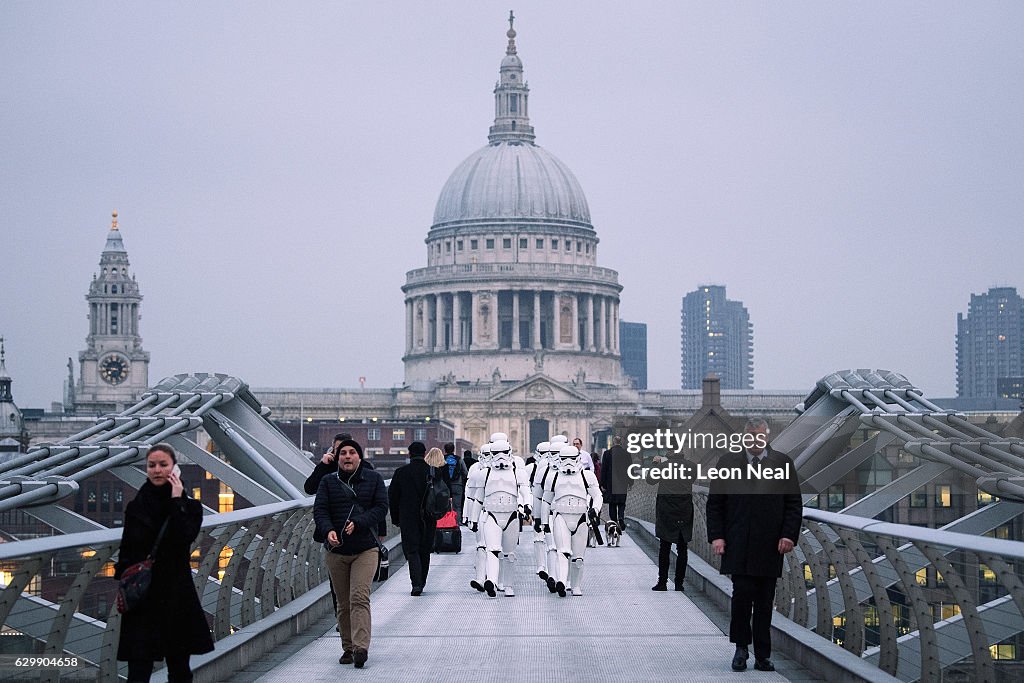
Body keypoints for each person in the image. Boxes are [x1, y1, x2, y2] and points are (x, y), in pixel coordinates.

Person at [706, 418, 802, 673]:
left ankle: (762, 655)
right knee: (740, 599)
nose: (755, 441)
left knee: (764, 602)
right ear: (744, 437)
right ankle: (740, 648)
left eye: (759, 436)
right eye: (750, 436)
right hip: (738, 542)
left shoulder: (783, 463)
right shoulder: (728, 462)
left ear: (766, 436)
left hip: (771, 544)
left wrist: (789, 535)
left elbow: (793, 503)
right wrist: (717, 536)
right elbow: (715, 503)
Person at [115, 443, 213, 682]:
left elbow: (185, 537)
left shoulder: (189, 507)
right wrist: (123, 582)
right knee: (138, 671)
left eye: (163, 465)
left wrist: (176, 500)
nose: (157, 470)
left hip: (175, 595)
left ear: (174, 469)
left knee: (178, 668)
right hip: (143, 598)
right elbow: (126, 548)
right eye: (151, 465)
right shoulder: (135, 506)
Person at [313, 438, 387, 669]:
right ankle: (348, 648)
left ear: (359, 456)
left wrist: (359, 522)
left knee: (359, 598)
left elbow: (381, 508)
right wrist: (328, 531)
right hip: (336, 550)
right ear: (337, 457)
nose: (347, 456)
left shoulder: (373, 479)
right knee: (343, 603)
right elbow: (320, 510)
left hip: (365, 548)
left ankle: (361, 647)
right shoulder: (327, 481)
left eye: (352, 452)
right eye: (343, 452)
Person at [388, 441, 436, 596]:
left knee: (412, 550)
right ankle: (422, 580)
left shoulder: (401, 472)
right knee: (425, 550)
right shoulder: (432, 472)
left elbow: (393, 497)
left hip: (408, 517)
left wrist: (395, 518)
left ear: (409, 454)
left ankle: (416, 584)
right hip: (429, 517)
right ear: (424, 453)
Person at [647, 450, 694, 592]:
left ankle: (662, 582)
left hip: (666, 511)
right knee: (682, 547)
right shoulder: (691, 466)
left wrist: (655, 463)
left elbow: (650, 480)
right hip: (684, 511)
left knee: (665, 547)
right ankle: (679, 583)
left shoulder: (663, 467)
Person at [600, 436, 632, 530]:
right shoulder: (626, 453)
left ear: (613, 442)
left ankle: (614, 522)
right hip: (623, 482)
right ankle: (621, 517)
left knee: (612, 504)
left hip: (611, 483)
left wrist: (603, 484)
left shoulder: (607, 453)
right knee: (622, 503)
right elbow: (630, 469)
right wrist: (631, 482)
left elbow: (604, 469)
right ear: (621, 442)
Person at [442, 442, 468, 518]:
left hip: (445, 486)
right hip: (457, 485)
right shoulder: (459, 459)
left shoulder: (442, 459)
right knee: (457, 506)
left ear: (445, 450)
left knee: (445, 505)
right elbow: (465, 473)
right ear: (454, 450)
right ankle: (457, 522)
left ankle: (446, 522)